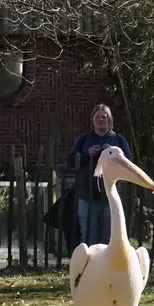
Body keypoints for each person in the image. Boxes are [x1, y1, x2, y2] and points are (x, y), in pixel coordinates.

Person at [66, 103, 133, 246]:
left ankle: (106, 268)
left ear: (110, 120)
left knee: (108, 238)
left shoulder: (119, 139)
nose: (100, 119)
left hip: (110, 197)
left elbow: (129, 163)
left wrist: (113, 153)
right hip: (86, 195)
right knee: (89, 238)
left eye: (104, 116)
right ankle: (90, 268)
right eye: (97, 117)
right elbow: (71, 160)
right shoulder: (83, 139)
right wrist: (86, 154)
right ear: (92, 120)